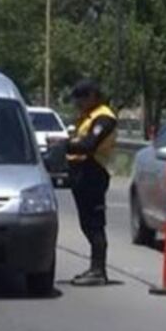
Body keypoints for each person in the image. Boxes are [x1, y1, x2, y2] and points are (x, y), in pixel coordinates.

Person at [61, 79, 118, 286]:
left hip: (94, 172)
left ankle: (98, 271)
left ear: (92, 96)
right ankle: (94, 268)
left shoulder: (104, 117)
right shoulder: (87, 117)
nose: (77, 103)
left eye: (80, 98)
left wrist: (65, 146)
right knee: (86, 223)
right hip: (81, 173)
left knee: (94, 223)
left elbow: (89, 144)